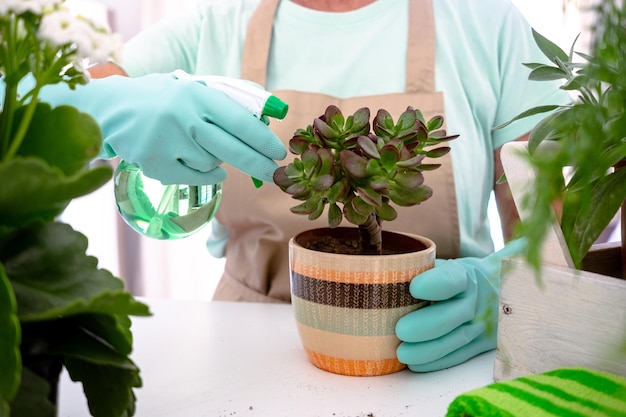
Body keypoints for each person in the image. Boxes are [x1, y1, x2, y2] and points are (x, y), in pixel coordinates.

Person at [48, 0, 571, 372]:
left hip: (439, 349)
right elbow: (42, 112)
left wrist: (505, 294)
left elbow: (553, 230)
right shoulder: (212, 24)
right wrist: (102, 106)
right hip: (241, 354)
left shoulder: (489, 23)